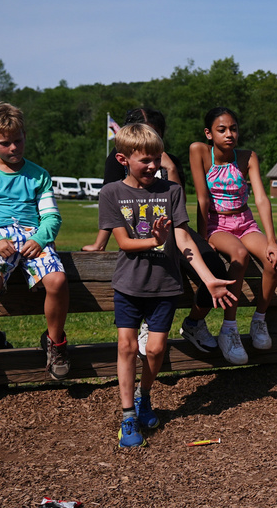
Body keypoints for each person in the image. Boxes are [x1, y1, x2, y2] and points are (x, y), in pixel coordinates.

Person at [98, 123, 236, 447]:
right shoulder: (112, 194)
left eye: (156, 158)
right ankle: (128, 415)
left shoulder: (171, 192)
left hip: (165, 286)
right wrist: (153, 240)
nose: (152, 166)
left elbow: (184, 238)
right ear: (123, 159)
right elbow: (123, 242)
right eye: (144, 160)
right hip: (129, 285)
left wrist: (208, 278)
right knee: (127, 347)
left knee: (156, 349)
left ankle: (145, 396)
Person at [82, 108, 226, 356]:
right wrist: (99, 243)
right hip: (138, 233)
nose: (152, 164)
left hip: (172, 227)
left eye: (156, 135)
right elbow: (112, 207)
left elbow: (176, 205)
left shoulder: (167, 162)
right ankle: (149, 323)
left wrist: (168, 166)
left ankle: (193, 323)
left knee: (214, 267)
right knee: (154, 263)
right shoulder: (117, 162)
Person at [0, 101, 70, 378]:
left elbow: (51, 217)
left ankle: (55, 342)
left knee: (57, 280)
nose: (14, 148)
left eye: (18, 141)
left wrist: (41, 238)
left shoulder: (38, 175)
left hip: (32, 236)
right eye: (5, 143)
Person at [189, 107, 277, 365]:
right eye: (222, 130)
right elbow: (202, 198)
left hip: (244, 221)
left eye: (233, 129)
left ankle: (259, 321)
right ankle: (229, 329)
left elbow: (262, 199)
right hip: (216, 224)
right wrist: (201, 241)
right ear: (209, 133)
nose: (229, 134)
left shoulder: (247, 156)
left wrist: (273, 240)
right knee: (239, 255)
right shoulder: (199, 151)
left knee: (272, 259)